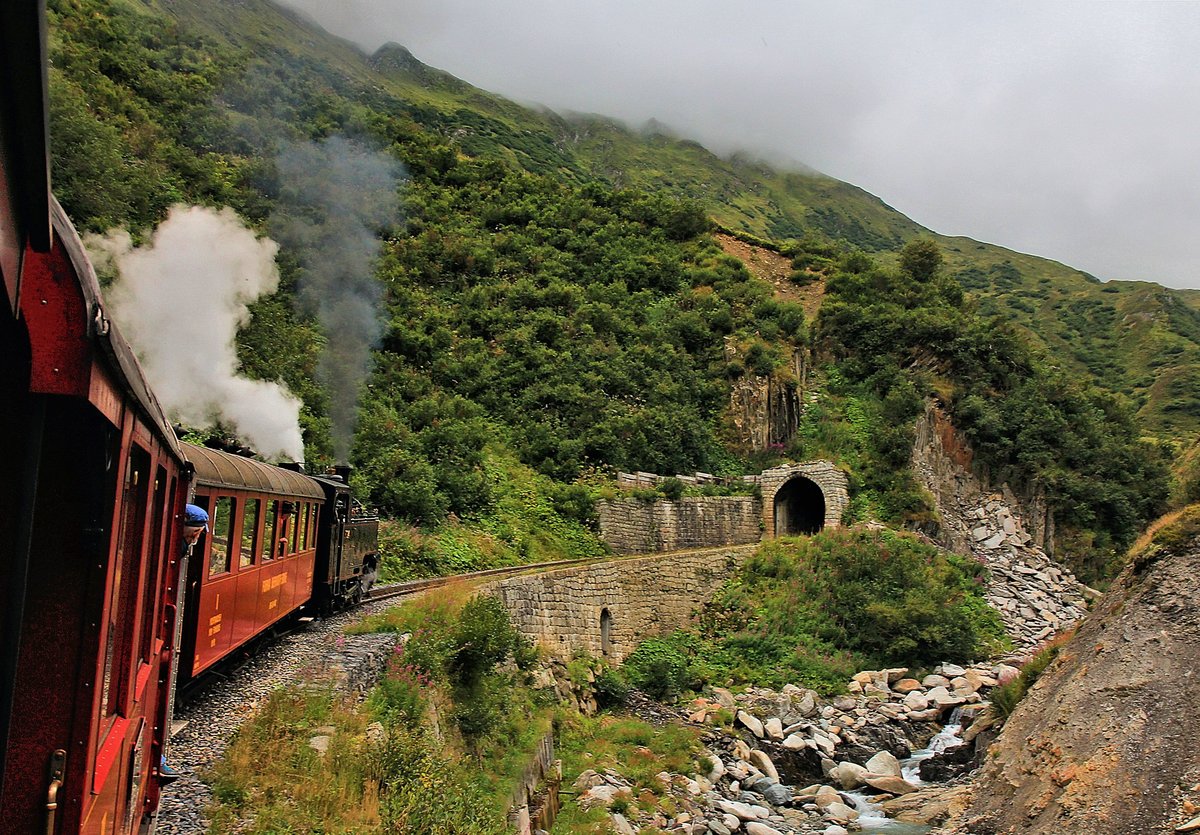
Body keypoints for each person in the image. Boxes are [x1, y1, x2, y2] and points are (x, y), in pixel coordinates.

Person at [159, 503, 209, 786]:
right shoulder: (174, 545)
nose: (199, 537)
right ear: (192, 530)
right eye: (199, 532)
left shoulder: (177, 544)